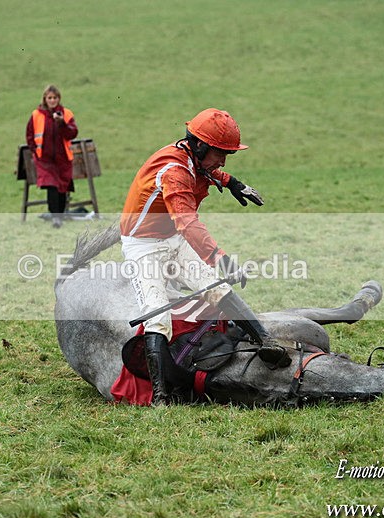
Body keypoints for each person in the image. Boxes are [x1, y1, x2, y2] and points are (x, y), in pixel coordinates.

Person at [120, 108, 290, 405]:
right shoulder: (174, 173)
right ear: (199, 145)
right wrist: (219, 258)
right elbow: (187, 223)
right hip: (144, 245)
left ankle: (266, 342)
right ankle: (160, 395)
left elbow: (208, 172)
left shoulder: (193, 158)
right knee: (157, 315)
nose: (223, 160)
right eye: (220, 153)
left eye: (227, 154)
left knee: (216, 287)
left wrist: (232, 182)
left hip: (172, 238)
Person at [25, 85, 79, 228]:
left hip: (63, 158)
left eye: (55, 98)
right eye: (49, 98)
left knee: (62, 187)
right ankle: (55, 217)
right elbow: (29, 134)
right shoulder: (36, 114)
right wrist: (34, 150)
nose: (52, 100)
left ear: (59, 98)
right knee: (51, 185)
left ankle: (59, 215)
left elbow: (73, 133)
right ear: (45, 99)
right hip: (44, 158)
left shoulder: (66, 114)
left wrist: (62, 123)